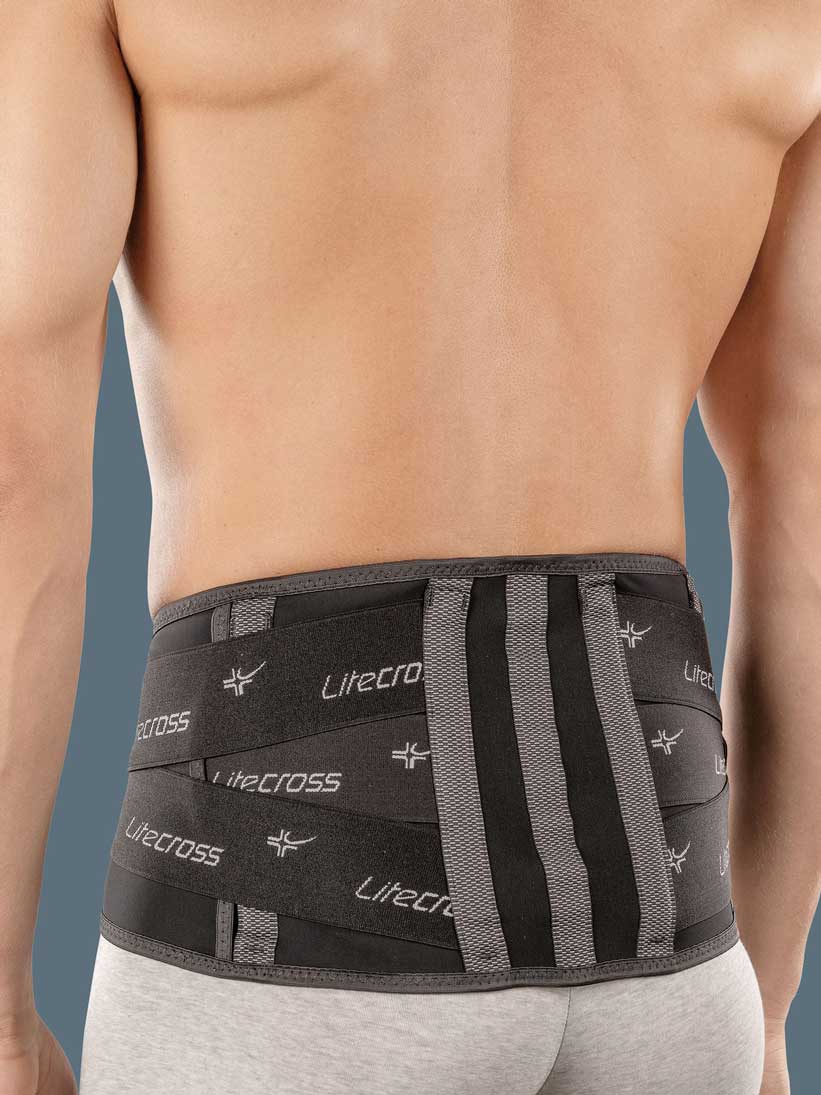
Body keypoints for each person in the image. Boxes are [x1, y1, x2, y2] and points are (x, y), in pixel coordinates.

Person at [1, 1, 820, 1093]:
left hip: (280, 959)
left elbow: (17, 460)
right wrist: (764, 1004)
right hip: (664, 951)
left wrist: (3, 1016)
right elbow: (803, 519)